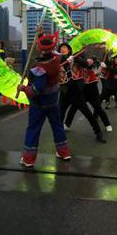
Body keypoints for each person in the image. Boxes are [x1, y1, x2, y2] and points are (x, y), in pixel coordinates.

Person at [17, 32, 70, 167]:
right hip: (53, 101)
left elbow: (36, 90)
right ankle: (64, 152)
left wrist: (23, 88)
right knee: (57, 126)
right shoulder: (56, 59)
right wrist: (40, 34)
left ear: (40, 49)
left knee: (33, 129)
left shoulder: (40, 67)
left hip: (39, 104)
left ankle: (28, 159)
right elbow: (57, 53)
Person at [58, 43, 106, 143]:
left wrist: (75, 59)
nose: (63, 49)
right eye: (61, 48)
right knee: (59, 115)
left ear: (69, 50)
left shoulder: (76, 58)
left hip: (76, 92)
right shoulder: (58, 60)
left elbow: (86, 64)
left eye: (65, 48)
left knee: (88, 114)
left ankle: (98, 133)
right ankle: (59, 137)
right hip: (64, 92)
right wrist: (65, 60)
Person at [82, 57, 113, 132]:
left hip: (93, 90)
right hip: (83, 90)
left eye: (89, 64)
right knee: (75, 106)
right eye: (86, 64)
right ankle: (67, 123)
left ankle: (107, 124)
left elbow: (98, 73)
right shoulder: (81, 68)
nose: (87, 66)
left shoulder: (96, 68)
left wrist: (104, 66)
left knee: (98, 108)